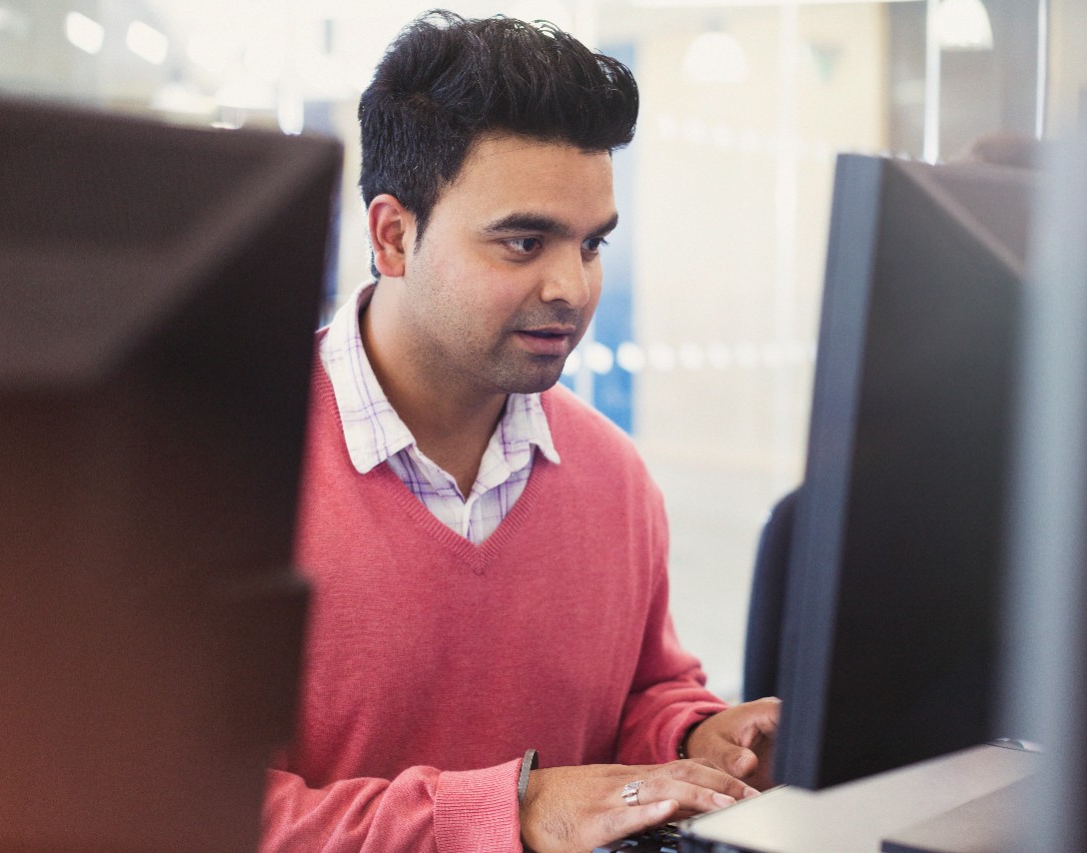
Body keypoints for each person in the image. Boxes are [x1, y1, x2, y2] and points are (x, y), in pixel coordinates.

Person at [259, 11, 780, 853]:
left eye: (592, 244)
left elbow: (644, 691)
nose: (572, 287)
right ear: (394, 236)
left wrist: (691, 737)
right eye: (524, 241)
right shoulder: (228, 471)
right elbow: (173, 814)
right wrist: (508, 812)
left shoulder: (613, 476)